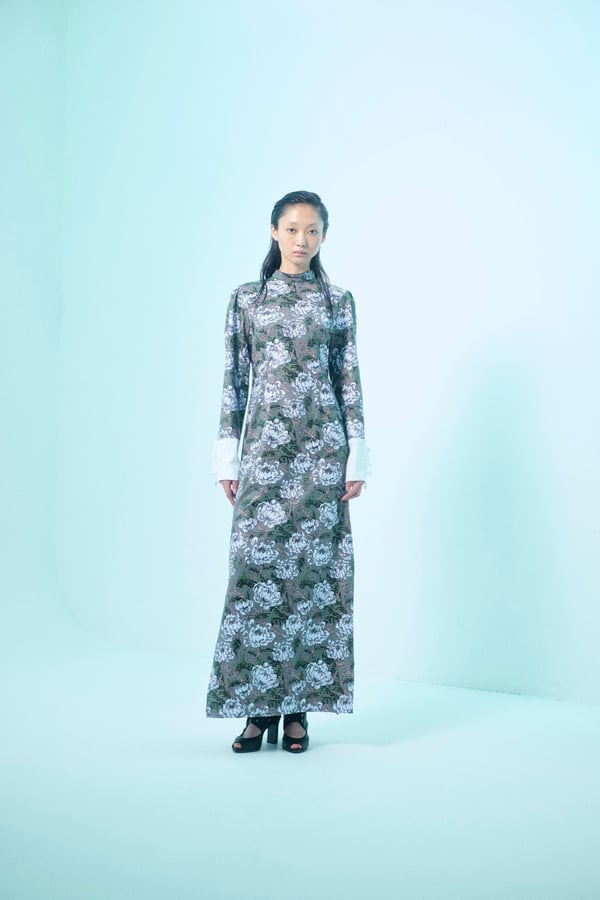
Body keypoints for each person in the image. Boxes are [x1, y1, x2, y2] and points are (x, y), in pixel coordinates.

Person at [206, 190, 370, 753]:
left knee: (312, 581)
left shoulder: (337, 301)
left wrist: (356, 454)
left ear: (323, 237)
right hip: (263, 456)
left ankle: (298, 711)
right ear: (274, 231)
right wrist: (227, 456)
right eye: (293, 229)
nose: (303, 240)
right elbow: (234, 380)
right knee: (255, 578)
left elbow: (348, 378)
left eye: (313, 231)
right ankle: (257, 711)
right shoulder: (247, 299)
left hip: (322, 456)